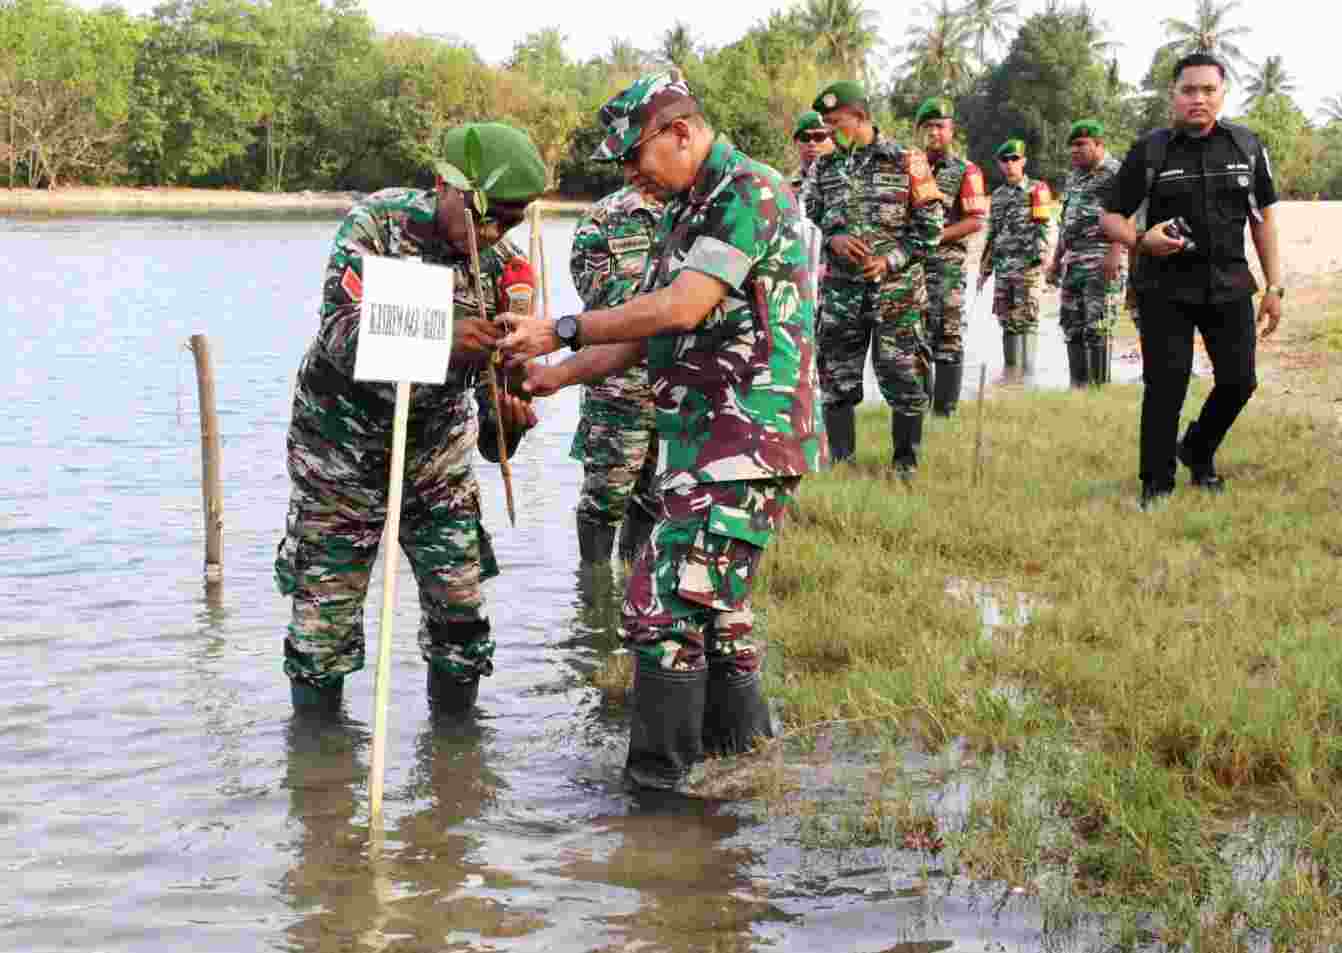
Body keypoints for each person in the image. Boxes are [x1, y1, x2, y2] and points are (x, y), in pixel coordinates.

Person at [499, 69, 822, 791]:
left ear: (679, 133)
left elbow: (682, 307)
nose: (630, 175)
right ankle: (741, 773)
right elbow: (643, 331)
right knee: (717, 610)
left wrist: (561, 327)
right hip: (703, 442)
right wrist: (554, 373)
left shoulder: (748, 191)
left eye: (634, 156)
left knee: (661, 604)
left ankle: (657, 795)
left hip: (746, 439)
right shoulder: (684, 209)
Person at [275, 122, 544, 715]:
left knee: (461, 623)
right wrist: (445, 337)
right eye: (484, 216)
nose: (493, 233)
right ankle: (319, 762)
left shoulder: (507, 272)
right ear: (445, 187)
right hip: (338, 460)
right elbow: (341, 334)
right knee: (321, 632)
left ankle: (457, 756)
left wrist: (508, 423)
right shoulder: (377, 227)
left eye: (510, 220)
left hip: (436, 461)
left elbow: (497, 435)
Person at [1100, 52, 1283, 509]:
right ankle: (1156, 485)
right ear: (1173, 95)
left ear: (1222, 93)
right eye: (1188, 90)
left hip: (1230, 286)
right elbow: (1110, 216)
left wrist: (1274, 286)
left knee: (1239, 382)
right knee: (1166, 385)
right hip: (1164, 289)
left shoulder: (1246, 146)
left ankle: (1198, 449)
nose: (1198, 99)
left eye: (1208, 90)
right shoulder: (1151, 150)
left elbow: (1262, 219)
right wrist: (1141, 240)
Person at [808, 80, 943, 476]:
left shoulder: (906, 160)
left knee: (903, 377)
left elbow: (931, 228)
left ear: (861, 116)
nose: (829, 132)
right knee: (836, 380)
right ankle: (841, 466)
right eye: (825, 125)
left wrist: (890, 261)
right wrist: (832, 239)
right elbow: (809, 218)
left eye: (836, 123)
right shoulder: (825, 167)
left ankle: (905, 466)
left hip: (897, 294)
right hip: (840, 296)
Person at [568, 174, 665, 566]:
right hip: (617, 385)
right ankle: (593, 588)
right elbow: (595, 299)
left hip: (679, 384)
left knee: (657, 494)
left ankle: (632, 577)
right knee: (604, 498)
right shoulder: (603, 219)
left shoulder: (696, 208)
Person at [915, 96, 988, 416]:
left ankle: (945, 411)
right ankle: (917, 407)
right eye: (928, 126)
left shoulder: (965, 171)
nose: (934, 132)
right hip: (910, 266)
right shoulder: (909, 167)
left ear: (951, 130)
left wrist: (936, 237)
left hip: (946, 267)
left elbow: (975, 220)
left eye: (939, 126)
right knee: (913, 336)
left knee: (947, 336)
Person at [1048, 119, 1126, 389]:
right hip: (1072, 260)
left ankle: (1098, 389)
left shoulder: (1117, 173)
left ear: (1099, 144)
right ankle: (1077, 387)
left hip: (1101, 258)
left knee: (1097, 325)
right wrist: (1055, 260)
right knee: (1072, 325)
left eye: (1081, 144)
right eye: (1072, 146)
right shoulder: (1074, 176)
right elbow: (1066, 221)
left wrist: (1115, 253)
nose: (1074, 150)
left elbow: (1127, 215)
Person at [977, 138, 1052, 381]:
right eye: (1005, 160)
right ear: (1000, 164)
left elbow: (1044, 228)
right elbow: (992, 235)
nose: (1010, 164)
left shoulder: (1037, 190)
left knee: (1027, 320)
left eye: (1014, 159)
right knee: (1007, 320)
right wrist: (984, 271)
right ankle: (1011, 375)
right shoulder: (997, 196)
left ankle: (1027, 377)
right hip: (1004, 269)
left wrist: (1041, 262)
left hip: (1027, 268)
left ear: (1023, 161)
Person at [788, 109, 833, 219]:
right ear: (796, 142)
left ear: (833, 140)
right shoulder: (785, 188)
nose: (812, 143)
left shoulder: (848, 180)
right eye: (805, 137)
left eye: (819, 137)